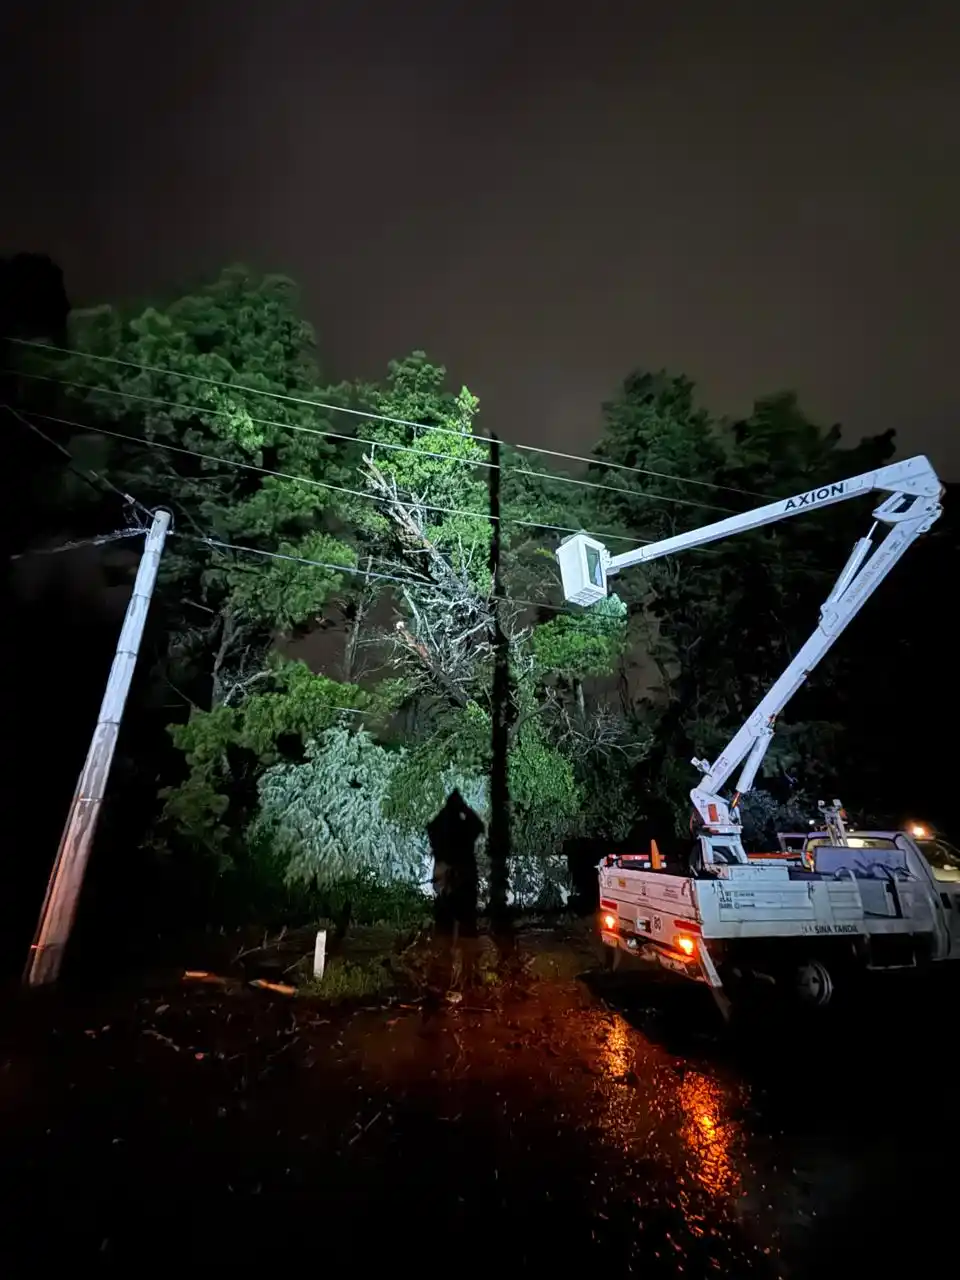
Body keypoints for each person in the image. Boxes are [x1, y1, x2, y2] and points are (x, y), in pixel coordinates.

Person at [427, 789, 484, 992]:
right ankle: (462, 976)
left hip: (456, 881)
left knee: (449, 926)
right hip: (461, 881)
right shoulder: (462, 827)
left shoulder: (442, 827)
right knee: (461, 927)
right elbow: (478, 826)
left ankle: (451, 976)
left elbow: (431, 829)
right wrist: (464, 809)